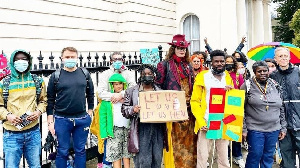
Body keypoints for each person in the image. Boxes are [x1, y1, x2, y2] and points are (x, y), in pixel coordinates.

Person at [47, 47, 94, 168]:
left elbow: (90, 93)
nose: (70, 59)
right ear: (62, 58)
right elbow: (50, 99)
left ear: (77, 58)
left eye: (73, 57)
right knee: (62, 151)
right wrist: (50, 121)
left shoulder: (85, 73)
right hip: (62, 119)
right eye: (67, 57)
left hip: (81, 119)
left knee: (80, 150)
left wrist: (90, 111)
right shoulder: (56, 76)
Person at [0, 50, 47, 167]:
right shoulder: (4, 83)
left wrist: (38, 111)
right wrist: (7, 116)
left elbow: (43, 101)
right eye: (18, 60)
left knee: (35, 166)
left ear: (29, 62)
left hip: (33, 132)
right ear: (12, 62)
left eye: (24, 59)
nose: (21, 62)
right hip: (12, 135)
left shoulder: (38, 81)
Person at [156, 34, 197, 168]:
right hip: (173, 111)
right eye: (179, 48)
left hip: (189, 111)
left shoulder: (189, 66)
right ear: (173, 48)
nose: (182, 50)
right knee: (174, 143)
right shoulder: (164, 65)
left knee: (190, 143)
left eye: (184, 48)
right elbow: (158, 86)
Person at [191, 49, 233, 168]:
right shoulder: (203, 76)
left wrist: (231, 91)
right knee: (203, 158)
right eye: (216, 61)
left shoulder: (228, 76)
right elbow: (194, 101)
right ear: (211, 62)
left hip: (223, 121)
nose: (219, 64)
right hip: (206, 121)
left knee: (224, 158)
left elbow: (233, 101)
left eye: (222, 61)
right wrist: (200, 120)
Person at [241, 61, 287, 168]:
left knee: (268, 156)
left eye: (265, 71)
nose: (262, 73)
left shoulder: (275, 85)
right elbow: (240, 109)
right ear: (254, 72)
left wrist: (283, 127)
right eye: (259, 71)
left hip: (274, 129)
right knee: (255, 155)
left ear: (268, 71)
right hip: (255, 129)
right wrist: (243, 129)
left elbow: (281, 107)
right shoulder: (247, 86)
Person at [97, 51, 136, 167]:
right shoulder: (106, 74)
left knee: (126, 151)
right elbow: (100, 92)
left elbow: (133, 88)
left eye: (120, 59)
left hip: (125, 120)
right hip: (111, 113)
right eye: (115, 59)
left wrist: (122, 95)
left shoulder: (128, 73)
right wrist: (114, 96)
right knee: (113, 151)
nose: (117, 61)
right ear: (111, 61)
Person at [122, 64, 165, 168]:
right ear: (140, 76)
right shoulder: (131, 91)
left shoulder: (160, 91)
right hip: (141, 128)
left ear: (154, 76)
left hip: (157, 128)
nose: (147, 76)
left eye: (150, 74)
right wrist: (133, 109)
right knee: (143, 160)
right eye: (144, 74)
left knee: (157, 158)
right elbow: (124, 110)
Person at [270, 47, 300, 168]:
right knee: (287, 156)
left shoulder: (298, 72)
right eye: (280, 56)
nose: (283, 58)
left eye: (285, 56)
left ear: (289, 57)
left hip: (299, 121)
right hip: (283, 125)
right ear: (275, 59)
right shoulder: (272, 77)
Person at [101, 73, 133, 168]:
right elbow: (103, 118)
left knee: (127, 153)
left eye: (120, 83)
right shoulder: (107, 101)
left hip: (127, 130)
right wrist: (104, 133)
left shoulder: (128, 99)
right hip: (114, 131)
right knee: (115, 154)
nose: (118, 86)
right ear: (112, 85)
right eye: (116, 84)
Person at [225, 55, 245, 168]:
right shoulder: (220, 75)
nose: (228, 64)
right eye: (226, 62)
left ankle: (238, 156)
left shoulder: (238, 75)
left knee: (235, 132)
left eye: (230, 62)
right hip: (222, 107)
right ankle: (227, 155)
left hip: (234, 106)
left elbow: (242, 91)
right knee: (224, 133)